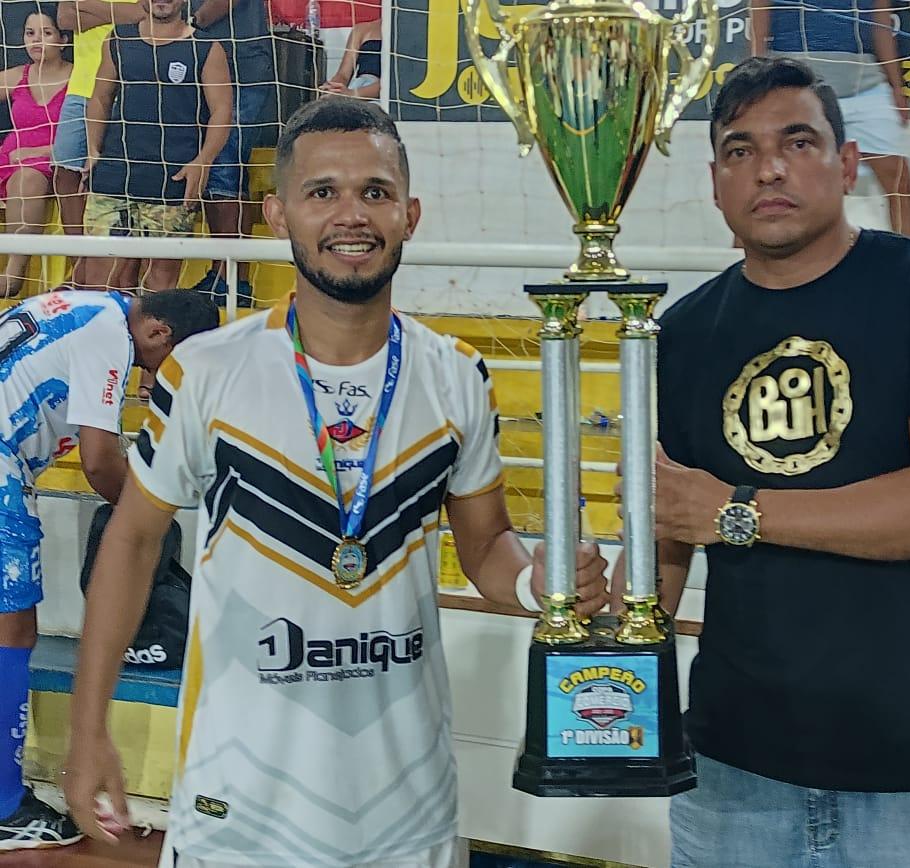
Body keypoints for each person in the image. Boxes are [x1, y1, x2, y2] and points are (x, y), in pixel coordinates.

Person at [62, 97, 611, 868]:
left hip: (407, 810)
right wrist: (88, 729)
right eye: (322, 192)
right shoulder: (206, 371)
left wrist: (537, 585)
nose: (351, 214)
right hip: (240, 811)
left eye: (374, 192)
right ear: (278, 213)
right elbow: (131, 542)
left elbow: (488, 547)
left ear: (409, 214)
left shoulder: (457, 375)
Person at [643, 57, 910, 867]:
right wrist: (609, 652)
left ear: (847, 165)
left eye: (797, 141)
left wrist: (736, 511)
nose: (769, 168)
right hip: (729, 769)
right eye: (740, 150)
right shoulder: (683, 330)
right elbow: (671, 530)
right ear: (715, 184)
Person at [0, 288, 219, 851]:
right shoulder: (110, 336)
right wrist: (148, 525)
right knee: (12, 631)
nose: (164, 378)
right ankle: (3, 807)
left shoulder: (86, 305)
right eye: (172, 364)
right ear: (159, 334)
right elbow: (98, 462)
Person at [84, 0, 232, 293]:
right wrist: (92, 149)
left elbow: (222, 111)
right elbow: (100, 97)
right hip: (116, 172)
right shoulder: (119, 38)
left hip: (172, 177)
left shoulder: (207, 48)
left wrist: (203, 160)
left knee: (160, 284)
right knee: (100, 279)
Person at [751, 0, 910, 237]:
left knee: (899, 178)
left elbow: (881, 23)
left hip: (864, 85)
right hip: (794, 86)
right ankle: (742, 257)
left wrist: (896, 86)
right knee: (765, 180)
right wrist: (753, 84)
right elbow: (759, 18)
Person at [186, 0, 275, 307]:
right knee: (217, 173)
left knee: (224, 169)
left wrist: (189, 23)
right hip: (197, 63)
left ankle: (232, 280)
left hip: (240, 67)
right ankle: (222, 274)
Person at [53, 0, 145, 291]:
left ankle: (122, 275)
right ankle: (80, 266)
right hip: (81, 87)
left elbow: (142, 16)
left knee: (122, 177)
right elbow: (66, 19)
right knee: (64, 171)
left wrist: (87, 7)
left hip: (126, 84)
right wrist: (115, 13)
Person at [0, 8, 71, 298]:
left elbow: (88, 134)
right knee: (21, 172)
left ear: (63, 39)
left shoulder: (79, 77)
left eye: (46, 33)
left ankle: (13, 275)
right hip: (11, 158)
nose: (36, 40)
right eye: (30, 33)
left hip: (56, 158)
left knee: (27, 177)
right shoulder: (18, 75)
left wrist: (37, 150)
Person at [320, 18, 383, 100]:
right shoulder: (362, 29)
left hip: (381, 96)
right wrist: (334, 89)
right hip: (358, 88)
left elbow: (393, 82)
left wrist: (352, 94)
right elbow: (343, 74)